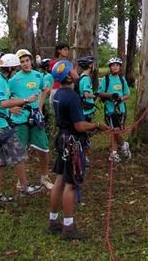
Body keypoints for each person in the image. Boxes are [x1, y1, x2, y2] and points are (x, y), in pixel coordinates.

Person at [50, 59, 109, 240]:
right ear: (68, 76)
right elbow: (80, 125)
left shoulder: (58, 94)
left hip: (62, 138)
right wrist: (97, 126)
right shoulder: (73, 97)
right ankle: (68, 227)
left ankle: (53, 221)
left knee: (60, 179)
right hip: (72, 142)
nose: (76, 71)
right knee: (71, 184)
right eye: (73, 69)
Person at [0, 53, 42, 203]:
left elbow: (2, 102)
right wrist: (25, 100)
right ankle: (25, 187)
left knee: (0, 159)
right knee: (19, 154)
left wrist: (13, 106)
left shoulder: (2, 80)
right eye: (15, 68)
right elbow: (3, 103)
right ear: (9, 68)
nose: (17, 71)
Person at [10, 49, 53, 190]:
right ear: (18, 64)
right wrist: (11, 108)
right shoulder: (14, 80)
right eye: (22, 62)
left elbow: (43, 90)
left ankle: (44, 177)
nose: (25, 64)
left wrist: (40, 107)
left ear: (31, 61)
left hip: (35, 117)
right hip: (20, 118)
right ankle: (21, 180)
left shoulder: (38, 76)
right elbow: (5, 98)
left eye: (27, 60)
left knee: (44, 148)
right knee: (20, 150)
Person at [98, 57, 131, 164]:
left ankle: (116, 151)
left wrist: (120, 98)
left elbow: (127, 94)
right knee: (114, 130)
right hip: (110, 109)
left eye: (117, 65)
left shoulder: (122, 80)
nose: (115, 67)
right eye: (113, 65)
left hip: (120, 109)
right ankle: (119, 148)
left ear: (120, 67)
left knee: (116, 131)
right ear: (110, 67)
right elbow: (100, 93)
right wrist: (111, 96)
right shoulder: (106, 79)